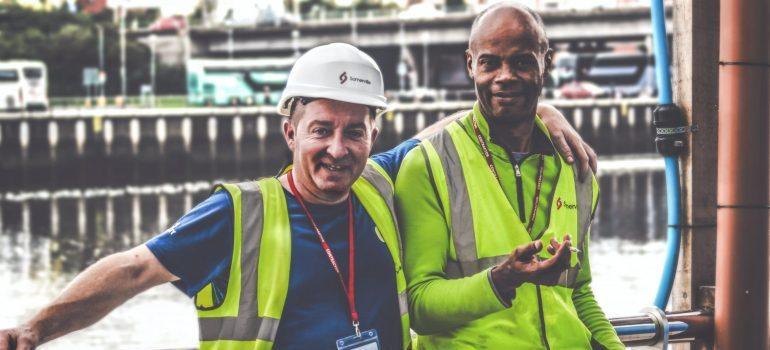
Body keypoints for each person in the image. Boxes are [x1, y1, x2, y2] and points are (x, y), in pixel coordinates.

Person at [0, 43, 593, 350]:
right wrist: (35, 330)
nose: (338, 149)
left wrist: (539, 107)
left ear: (373, 135)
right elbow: (132, 270)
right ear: (290, 132)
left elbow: (449, 129)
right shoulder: (242, 213)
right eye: (320, 130)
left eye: (354, 131)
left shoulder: (380, 183)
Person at [395, 3, 624, 350]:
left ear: (546, 63)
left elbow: (577, 291)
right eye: (490, 62)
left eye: (521, 61)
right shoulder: (427, 165)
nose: (505, 76)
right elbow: (419, 306)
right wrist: (502, 281)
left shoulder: (574, 167)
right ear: (470, 64)